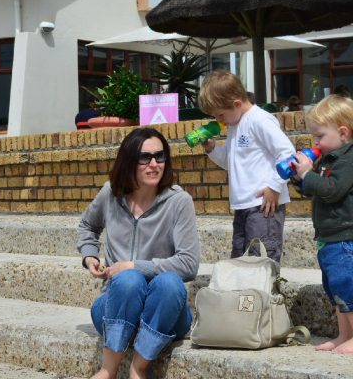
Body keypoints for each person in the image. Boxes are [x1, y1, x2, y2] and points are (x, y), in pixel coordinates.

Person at [77, 127, 200, 379]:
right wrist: (89, 255)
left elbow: (188, 263)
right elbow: (88, 225)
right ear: (129, 161)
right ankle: (108, 370)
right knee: (128, 281)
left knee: (168, 283)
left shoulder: (179, 201)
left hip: (163, 312)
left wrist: (134, 265)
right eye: (145, 158)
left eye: (160, 156)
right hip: (116, 306)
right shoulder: (110, 193)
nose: (154, 164)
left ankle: (138, 369)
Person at [198, 70, 295, 262]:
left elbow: (288, 154)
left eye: (220, 115)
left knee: (260, 259)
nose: (219, 121)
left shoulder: (259, 120)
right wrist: (212, 149)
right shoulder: (235, 125)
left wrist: (275, 186)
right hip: (243, 206)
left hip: (263, 205)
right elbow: (231, 162)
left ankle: (263, 283)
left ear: (236, 104)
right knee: (240, 258)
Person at [290, 94, 353, 354]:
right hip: (329, 237)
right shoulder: (328, 159)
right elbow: (317, 189)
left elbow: (332, 190)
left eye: (319, 136)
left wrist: (308, 174)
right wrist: (299, 178)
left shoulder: (348, 160)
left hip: (344, 237)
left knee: (348, 287)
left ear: (343, 133)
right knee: (335, 290)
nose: (315, 142)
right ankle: (344, 335)